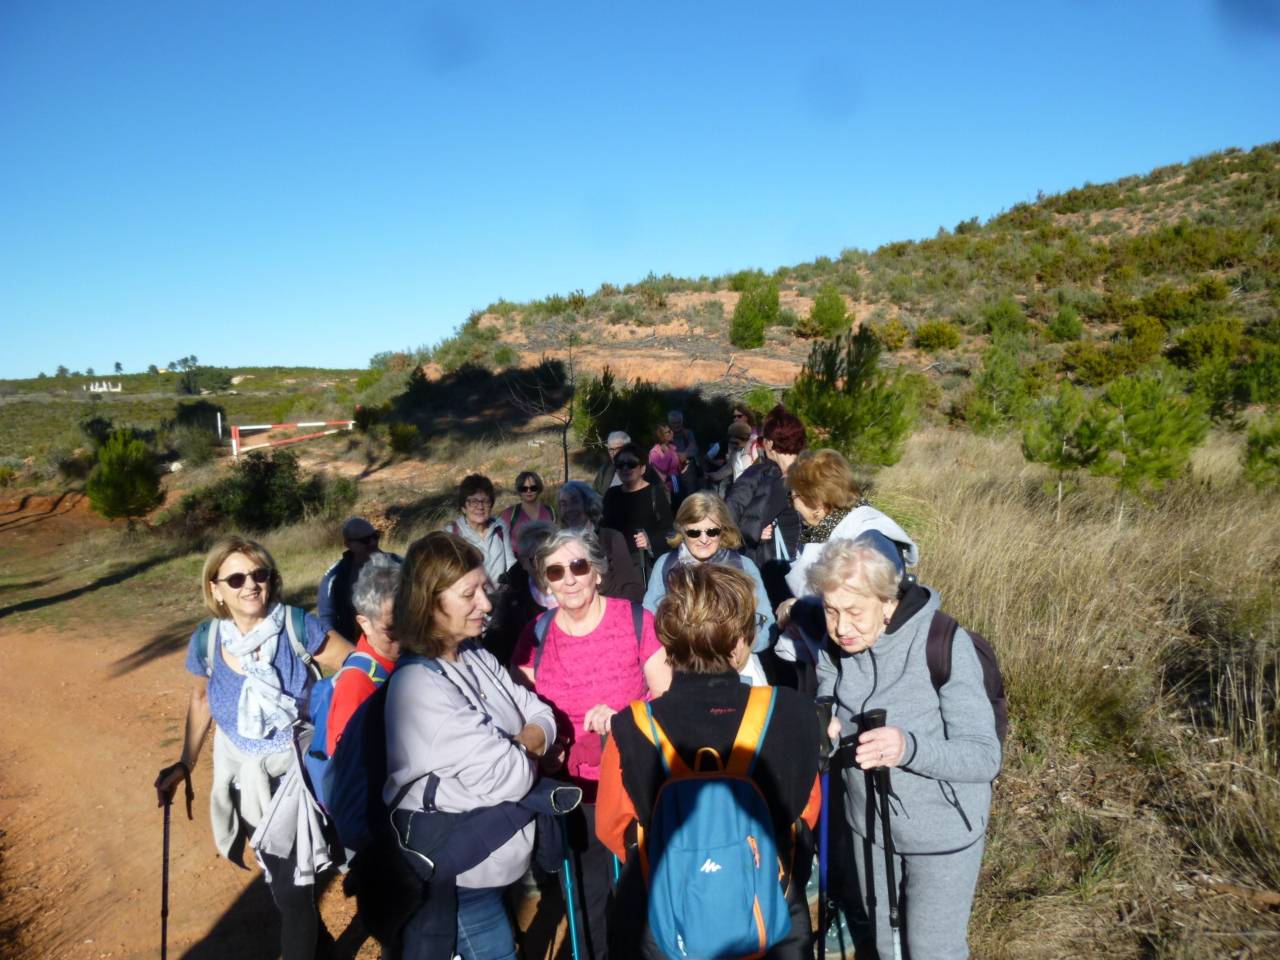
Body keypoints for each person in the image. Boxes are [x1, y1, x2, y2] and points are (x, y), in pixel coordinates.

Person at [596, 563, 822, 959]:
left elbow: (613, 828)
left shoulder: (631, 727)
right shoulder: (792, 712)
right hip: (771, 914)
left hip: (665, 918)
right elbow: (807, 812)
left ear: (668, 641)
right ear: (739, 639)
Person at [154, 536, 354, 960]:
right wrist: (185, 763)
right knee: (283, 885)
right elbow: (202, 698)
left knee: (294, 894)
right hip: (243, 778)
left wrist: (339, 730)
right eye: (237, 577)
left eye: (259, 575)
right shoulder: (208, 638)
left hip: (295, 779)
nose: (250, 585)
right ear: (216, 589)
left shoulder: (299, 626)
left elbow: (354, 667)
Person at [811, 534, 1000, 960]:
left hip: (943, 832)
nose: (842, 627)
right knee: (882, 944)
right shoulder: (833, 648)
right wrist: (828, 729)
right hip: (869, 830)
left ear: (889, 603)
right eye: (831, 611)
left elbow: (984, 756)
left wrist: (908, 748)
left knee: (933, 949)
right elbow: (828, 700)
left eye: (855, 612)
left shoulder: (944, 643)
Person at [384, 531, 560, 960]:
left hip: (488, 866)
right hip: (458, 880)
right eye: (470, 594)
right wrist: (522, 751)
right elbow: (513, 775)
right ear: (429, 602)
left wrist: (518, 745)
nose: (486, 603)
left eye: (485, 588)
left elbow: (543, 716)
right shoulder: (419, 687)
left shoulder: (474, 655)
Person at [512, 529, 673, 960]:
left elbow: (667, 701)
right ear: (545, 582)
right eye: (556, 571)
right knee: (585, 896)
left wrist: (624, 721)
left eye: (579, 566)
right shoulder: (535, 635)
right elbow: (520, 710)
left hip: (634, 784)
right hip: (572, 792)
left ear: (598, 573)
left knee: (641, 893)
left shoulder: (637, 621)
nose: (569, 579)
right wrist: (543, 746)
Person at [780, 448, 917, 613]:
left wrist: (795, 609)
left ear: (816, 503)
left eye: (792, 497)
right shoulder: (821, 530)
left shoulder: (868, 541)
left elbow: (863, 612)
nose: (792, 504)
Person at [642, 491, 775, 654]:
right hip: (680, 661)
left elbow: (766, 623)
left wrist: (739, 647)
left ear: (723, 529)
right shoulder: (666, 565)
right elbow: (649, 621)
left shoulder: (743, 566)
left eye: (712, 532)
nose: (704, 539)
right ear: (682, 531)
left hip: (733, 662)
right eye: (694, 532)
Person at [725, 404, 807, 608]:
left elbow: (741, 518)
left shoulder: (771, 478)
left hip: (776, 568)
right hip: (809, 567)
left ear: (770, 443)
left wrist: (753, 532)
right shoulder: (815, 474)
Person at [325, 552, 402, 755]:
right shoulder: (356, 685)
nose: (407, 633)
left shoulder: (408, 655)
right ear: (364, 623)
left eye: (412, 619)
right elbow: (345, 769)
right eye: (393, 627)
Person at [484, 520, 558, 665]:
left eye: (550, 557)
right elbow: (496, 642)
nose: (545, 567)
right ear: (523, 562)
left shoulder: (574, 584)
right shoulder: (513, 595)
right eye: (537, 560)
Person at [558, 480, 645, 603]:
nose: (569, 509)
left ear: (588, 504)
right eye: (563, 504)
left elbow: (633, 588)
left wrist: (613, 614)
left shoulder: (610, 538)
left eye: (575, 501)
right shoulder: (560, 546)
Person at [318, 517, 399, 647]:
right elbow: (327, 621)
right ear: (348, 544)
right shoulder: (335, 577)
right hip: (359, 647)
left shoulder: (398, 563)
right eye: (365, 540)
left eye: (375, 536)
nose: (373, 543)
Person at [601, 443, 674, 585]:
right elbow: (605, 529)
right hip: (618, 565)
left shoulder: (655, 492)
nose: (625, 468)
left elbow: (669, 531)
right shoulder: (612, 494)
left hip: (646, 565)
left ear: (643, 468)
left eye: (631, 464)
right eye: (620, 464)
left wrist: (649, 541)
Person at [443, 474, 515, 588]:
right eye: (473, 501)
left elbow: (511, 564)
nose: (480, 506)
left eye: (485, 501)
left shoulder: (500, 527)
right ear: (463, 507)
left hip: (501, 599)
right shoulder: (451, 533)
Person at [499, 471, 556, 555]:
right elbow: (500, 541)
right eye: (524, 489)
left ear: (539, 488)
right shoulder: (510, 514)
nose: (528, 491)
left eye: (533, 488)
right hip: (519, 564)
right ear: (519, 491)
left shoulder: (550, 511)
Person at [593, 430, 664, 495]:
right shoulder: (606, 469)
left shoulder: (644, 470)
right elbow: (595, 494)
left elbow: (662, 496)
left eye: (618, 448)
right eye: (611, 450)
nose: (614, 453)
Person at [667, 409, 701, 495]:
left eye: (679, 422)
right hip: (673, 472)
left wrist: (684, 455)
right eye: (674, 423)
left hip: (689, 471)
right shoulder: (666, 436)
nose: (677, 425)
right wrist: (678, 456)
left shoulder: (688, 433)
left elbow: (694, 448)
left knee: (691, 496)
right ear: (669, 424)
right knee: (676, 496)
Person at [647, 423, 681, 497]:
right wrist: (668, 453)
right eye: (668, 432)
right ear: (661, 436)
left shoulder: (671, 447)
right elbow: (663, 467)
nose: (672, 432)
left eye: (671, 430)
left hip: (675, 484)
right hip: (665, 489)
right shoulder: (654, 452)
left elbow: (676, 465)